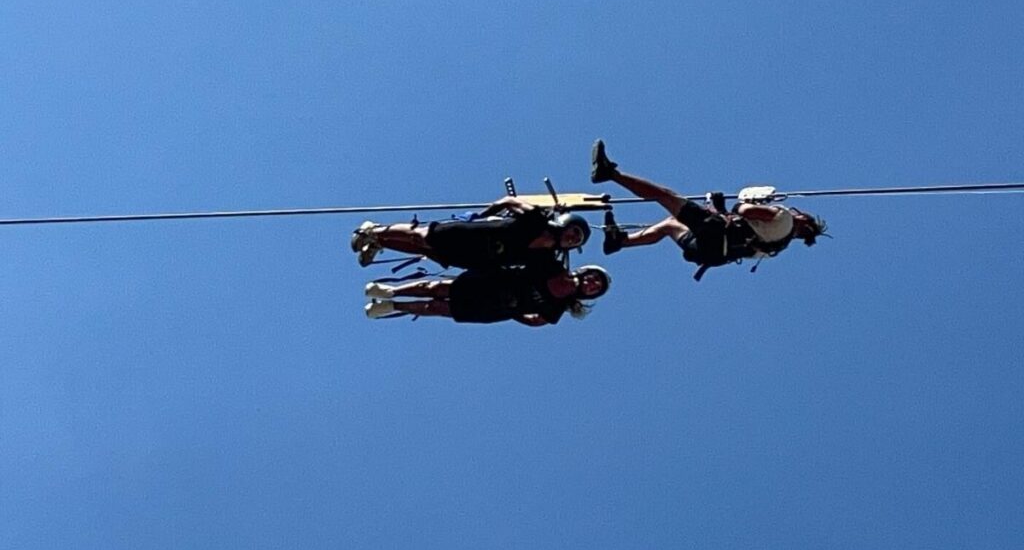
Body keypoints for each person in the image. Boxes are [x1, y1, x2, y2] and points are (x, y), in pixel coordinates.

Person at [590, 139, 827, 280]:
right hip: (708, 253)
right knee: (669, 225)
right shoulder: (774, 250)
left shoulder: (784, 217)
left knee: (665, 196)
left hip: (715, 234)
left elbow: (743, 211)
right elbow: (743, 236)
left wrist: (741, 202)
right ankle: (619, 242)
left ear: (803, 222)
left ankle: (609, 174)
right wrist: (722, 211)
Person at [349, 195, 591, 269]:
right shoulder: (537, 220)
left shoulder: (545, 259)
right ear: (567, 223)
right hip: (472, 233)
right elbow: (509, 201)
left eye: (576, 241)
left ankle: (380, 241)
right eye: (574, 232)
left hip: (477, 258)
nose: (572, 239)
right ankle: (375, 229)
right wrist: (482, 216)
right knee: (421, 236)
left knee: (426, 250)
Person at [363, 261, 611, 326]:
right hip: (490, 282)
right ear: (586, 271)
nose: (591, 283)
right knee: (436, 288)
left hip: (493, 308)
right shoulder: (554, 267)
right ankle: (391, 291)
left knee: (438, 308)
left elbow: (538, 322)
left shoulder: (558, 307)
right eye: (593, 278)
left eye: (595, 288)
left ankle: (393, 307)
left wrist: (515, 313)